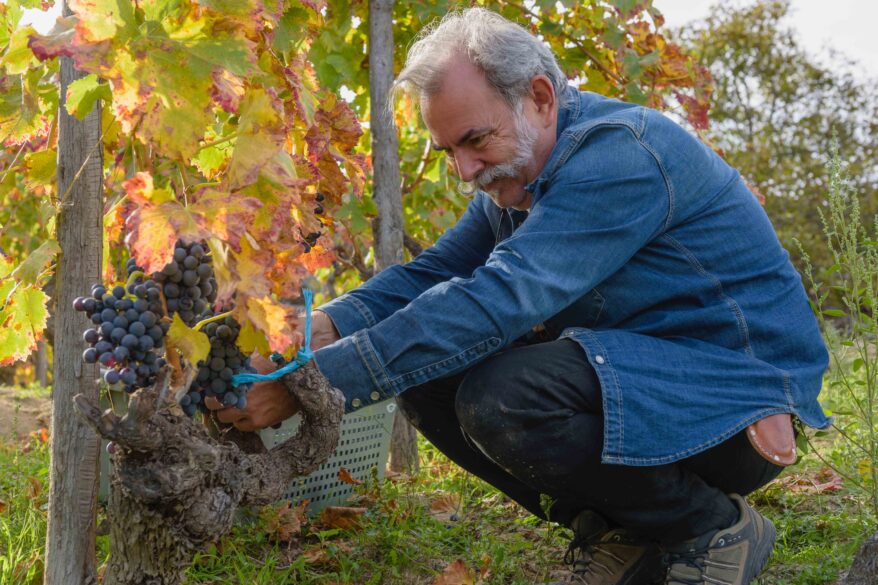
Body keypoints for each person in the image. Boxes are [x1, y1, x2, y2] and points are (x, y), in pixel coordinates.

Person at [208, 8, 829, 585]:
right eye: (450, 151)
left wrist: (305, 386)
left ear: (539, 97)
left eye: (476, 140)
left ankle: (711, 527)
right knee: (427, 374)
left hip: (733, 403)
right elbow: (432, 274)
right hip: (645, 387)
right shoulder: (523, 179)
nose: (465, 171)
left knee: (506, 396)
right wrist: (319, 333)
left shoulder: (621, 154)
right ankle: (627, 533)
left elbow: (503, 296)